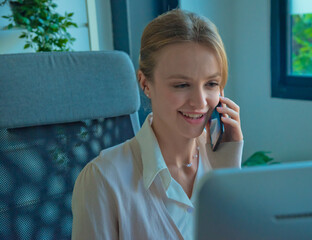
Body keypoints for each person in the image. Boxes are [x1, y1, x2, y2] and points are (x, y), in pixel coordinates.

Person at [71, 9, 244, 240]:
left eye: (211, 83)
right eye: (182, 85)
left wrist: (229, 177)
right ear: (145, 84)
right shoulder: (102, 180)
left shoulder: (223, 161)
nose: (200, 102)